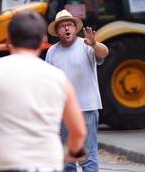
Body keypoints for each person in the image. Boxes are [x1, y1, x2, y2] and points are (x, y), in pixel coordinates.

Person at [0, 11, 87, 171]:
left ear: (9, 39)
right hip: (48, 163)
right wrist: (70, 153)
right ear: (43, 41)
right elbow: (79, 131)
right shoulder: (59, 77)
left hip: (8, 162)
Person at [45, 9, 109, 172]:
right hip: (63, 111)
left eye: (70, 25)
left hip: (86, 108)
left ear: (75, 28)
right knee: (67, 159)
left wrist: (94, 44)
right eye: (62, 26)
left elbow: (104, 53)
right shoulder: (52, 52)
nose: (66, 29)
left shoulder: (86, 46)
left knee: (88, 158)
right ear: (57, 31)